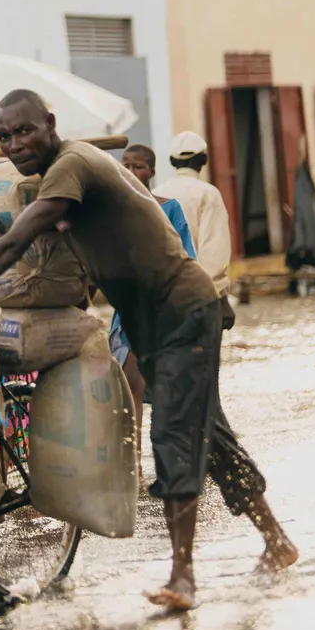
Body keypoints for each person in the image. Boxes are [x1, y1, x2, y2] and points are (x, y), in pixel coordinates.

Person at [0, 90, 298, 611]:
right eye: (5, 136)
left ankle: (183, 577)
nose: (16, 143)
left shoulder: (73, 165)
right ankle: (277, 540)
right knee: (210, 434)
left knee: (172, 431)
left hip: (183, 309)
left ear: (50, 125)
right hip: (149, 318)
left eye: (25, 131)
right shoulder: (56, 181)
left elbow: (13, 245)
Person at [109, 143, 196, 480]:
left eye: (139, 167)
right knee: (131, 386)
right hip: (128, 312)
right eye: (125, 166)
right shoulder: (112, 212)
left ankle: (171, 468)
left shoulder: (169, 209)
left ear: (152, 170)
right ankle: (134, 467)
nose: (131, 173)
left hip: (164, 311)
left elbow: (187, 259)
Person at [155, 131, 234, 325]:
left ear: (172, 161)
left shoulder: (156, 194)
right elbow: (214, 252)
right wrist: (220, 298)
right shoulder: (209, 194)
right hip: (200, 296)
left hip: (164, 296)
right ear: (204, 159)